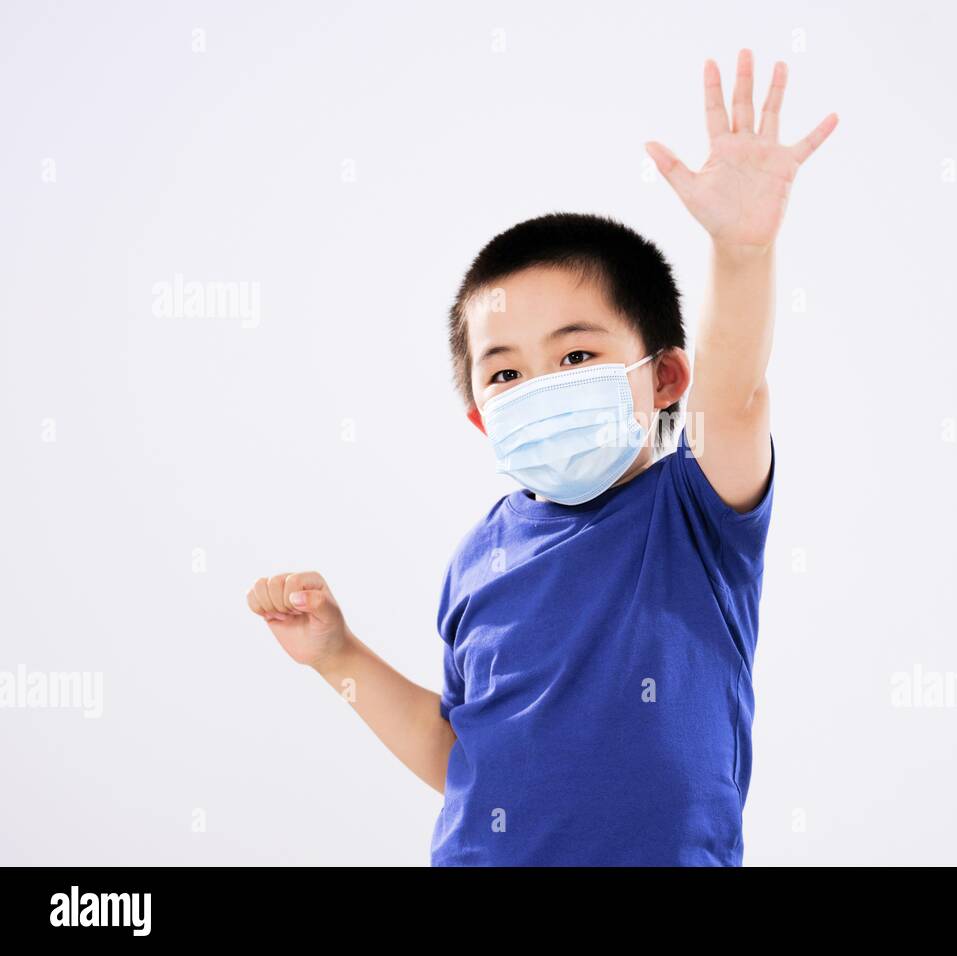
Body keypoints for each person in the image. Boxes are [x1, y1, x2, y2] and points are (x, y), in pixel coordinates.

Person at [246, 48, 837, 865]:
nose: (541, 386)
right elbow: (460, 754)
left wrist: (741, 253)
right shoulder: (477, 560)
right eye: (506, 373)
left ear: (664, 375)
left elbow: (736, 394)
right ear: (483, 420)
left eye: (574, 358)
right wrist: (336, 655)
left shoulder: (694, 513)